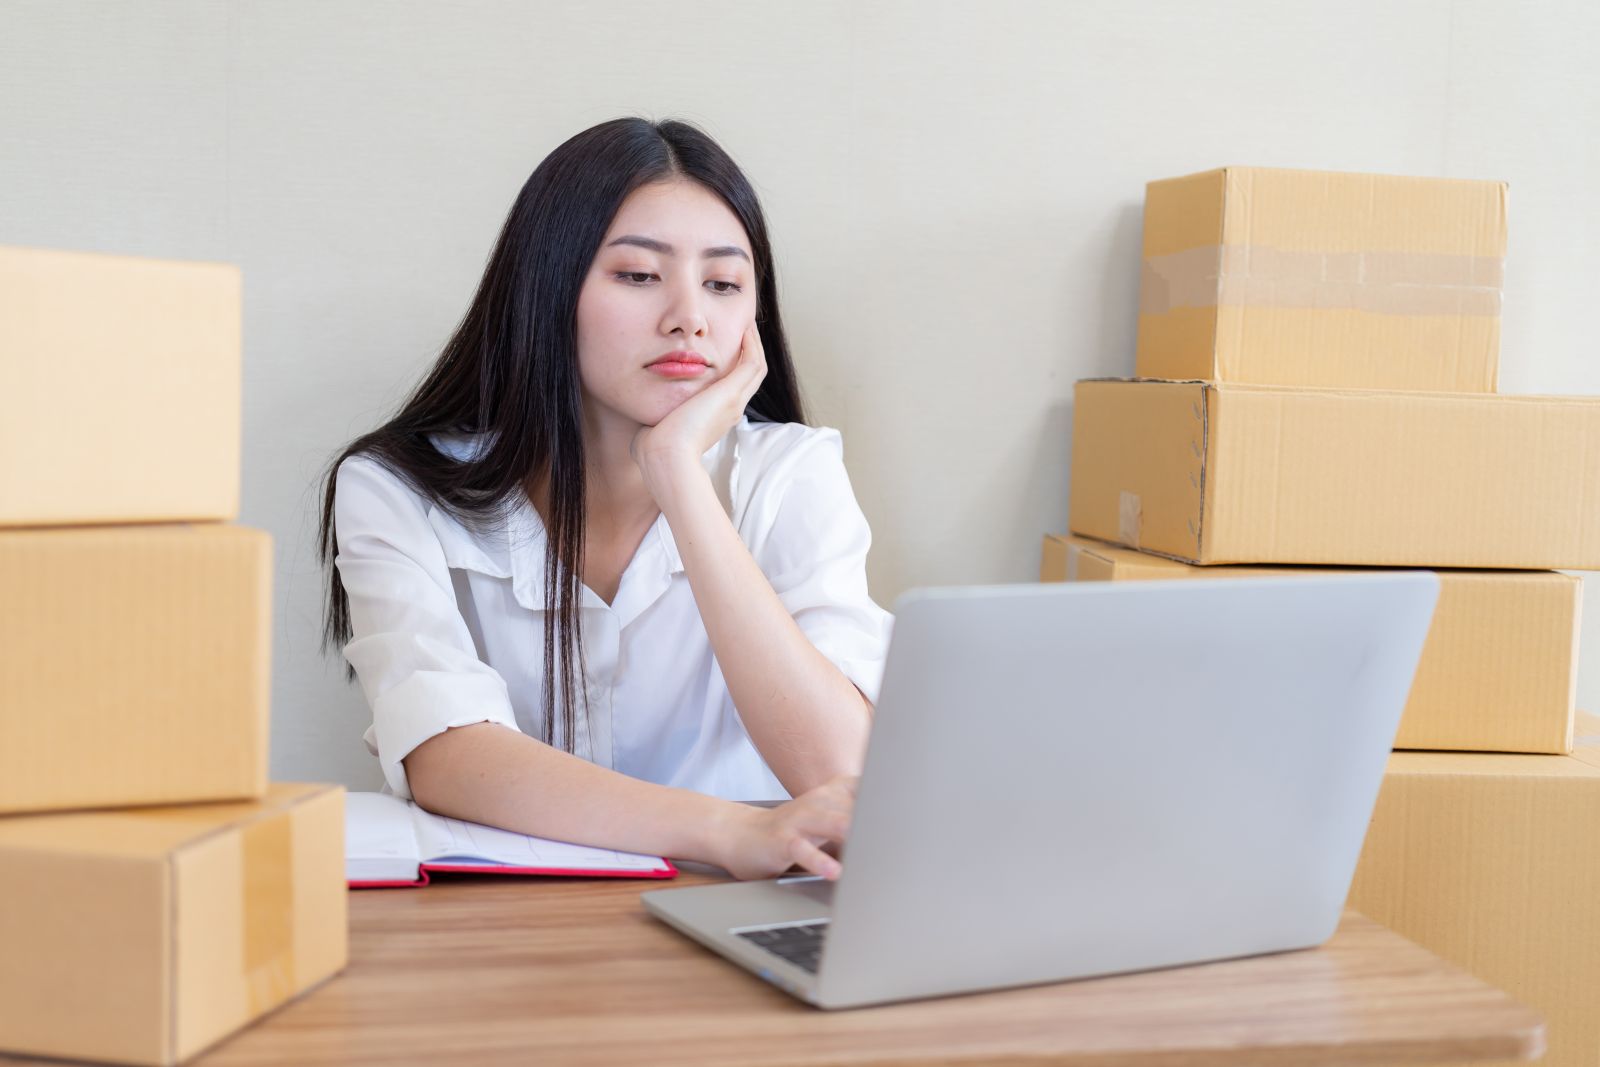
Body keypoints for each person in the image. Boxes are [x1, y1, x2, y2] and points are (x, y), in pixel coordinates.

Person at [316, 117, 892, 881]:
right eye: (638, 275)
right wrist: (724, 830)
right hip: (498, 930)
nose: (690, 316)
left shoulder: (791, 473)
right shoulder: (396, 489)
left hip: (738, 918)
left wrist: (678, 473)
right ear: (549, 287)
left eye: (723, 284)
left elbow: (842, 770)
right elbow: (447, 752)